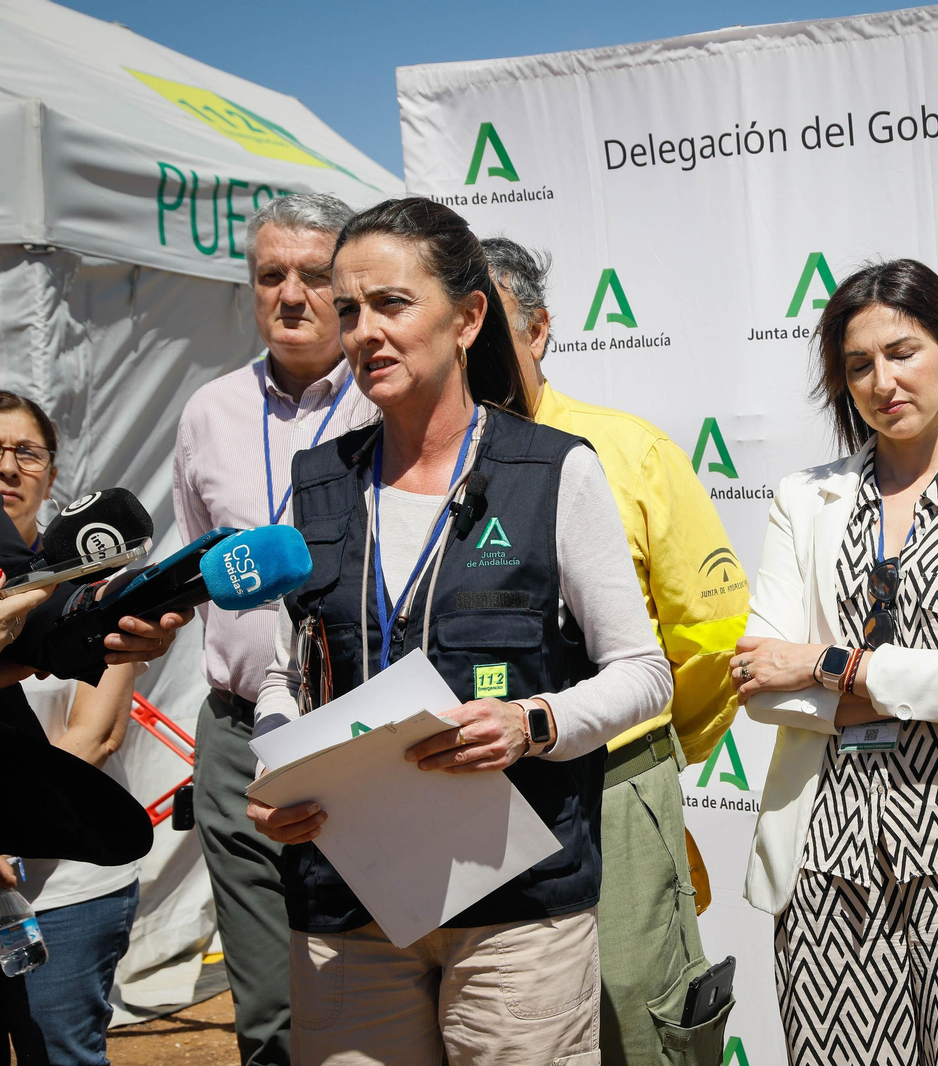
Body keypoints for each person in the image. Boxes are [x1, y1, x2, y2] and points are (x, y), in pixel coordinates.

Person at [245, 197, 671, 1065]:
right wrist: (275, 760)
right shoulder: (316, 482)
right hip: (346, 904)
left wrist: (532, 724)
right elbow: (284, 675)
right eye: (350, 308)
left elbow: (643, 671)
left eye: (393, 304)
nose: (364, 332)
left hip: (516, 911)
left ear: (469, 317)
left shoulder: (553, 472)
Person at [731, 258, 938, 1066]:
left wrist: (828, 664)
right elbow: (757, 684)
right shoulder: (803, 499)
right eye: (858, 365)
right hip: (826, 861)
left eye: (903, 352)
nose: (883, 380)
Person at [482, 236, 749, 1064]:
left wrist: (656, 747)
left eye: (492, 324)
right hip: (472, 788)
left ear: (540, 331)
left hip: (615, 778)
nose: (475, 347)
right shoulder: (425, 465)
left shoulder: (625, 451)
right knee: (503, 1020)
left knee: (640, 1009)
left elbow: (709, 634)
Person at [172, 192, 374, 1066]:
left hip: (360, 730)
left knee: (380, 987)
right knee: (268, 1010)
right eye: (269, 275)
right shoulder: (207, 412)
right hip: (234, 734)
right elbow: (199, 569)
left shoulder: (387, 400)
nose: (290, 294)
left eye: (315, 274)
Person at [0, 391, 139, 1066]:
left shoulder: (92, 585)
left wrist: (2, 841)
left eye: (27, 452)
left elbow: (96, 735)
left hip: (69, 884)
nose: (6, 467)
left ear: (51, 474)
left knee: (61, 1056)